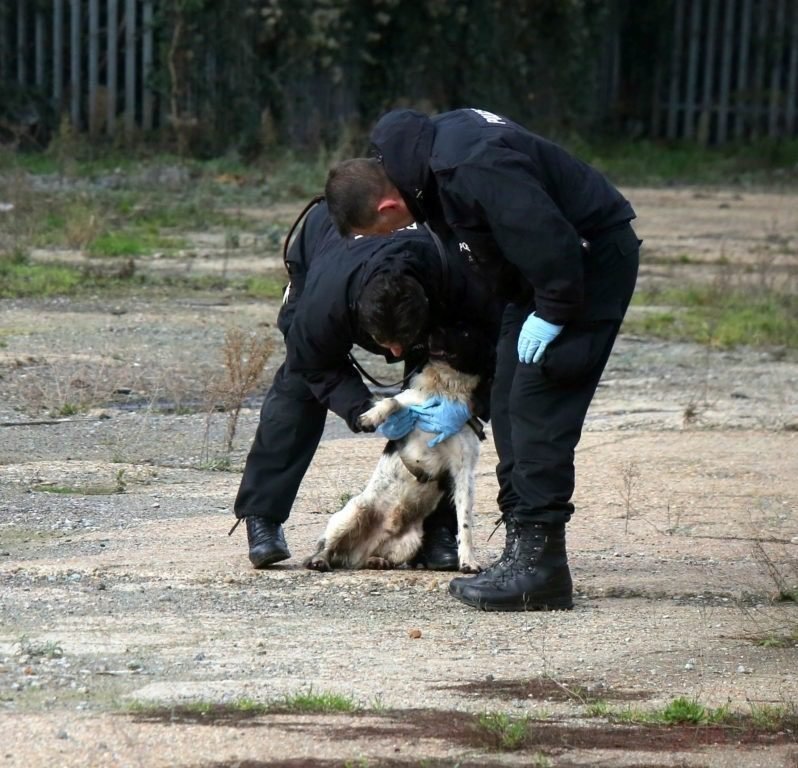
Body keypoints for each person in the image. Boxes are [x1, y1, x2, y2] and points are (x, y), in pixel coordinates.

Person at [325, 107, 640, 611]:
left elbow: (549, 236)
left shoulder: (468, 167)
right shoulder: (423, 171)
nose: (389, 240)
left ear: (386, 204)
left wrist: (555, 309)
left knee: (539, 403)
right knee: (510, 399)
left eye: (382, 231)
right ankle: (520, 550)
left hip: (582, 266)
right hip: (535, 278)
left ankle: (542, 567)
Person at [231, 197, 498, 571]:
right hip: (326, 256)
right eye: (385, 344)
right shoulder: (324, 304)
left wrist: (473, 403)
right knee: (297, 385)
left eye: (402, 344)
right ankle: (263, 516)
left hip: (428, 284)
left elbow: (496, 341)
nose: (394, 351)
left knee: (439, 382)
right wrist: (361, 410)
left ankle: (435, 532)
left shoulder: (458, 277)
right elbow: (315, 364)